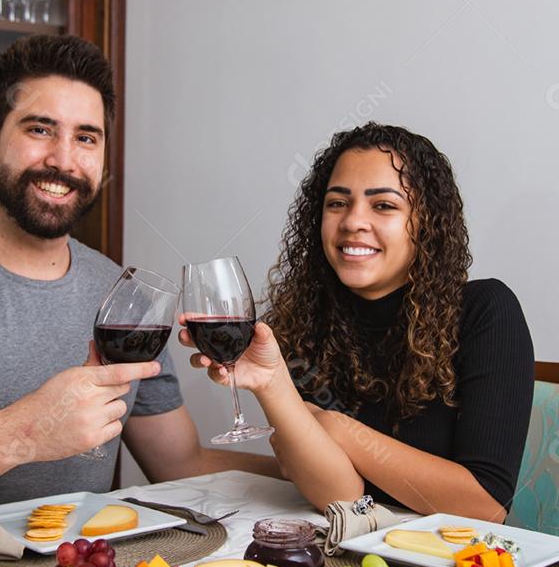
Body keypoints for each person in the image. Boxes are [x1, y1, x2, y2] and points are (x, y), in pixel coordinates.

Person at [0, 35, 280, 543]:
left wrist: (313, 464)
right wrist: (25, 434)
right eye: (40, 129)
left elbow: (182, 463)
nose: (63, 160)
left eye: (86, 138)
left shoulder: (124, 299)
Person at [180, 122, 534, 520]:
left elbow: (485, 506)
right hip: (353, 549)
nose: (352, 221)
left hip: (455, 553)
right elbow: (340, 496)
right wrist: (272, 383)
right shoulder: (305, 323)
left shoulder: (486, 311)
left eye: (383, 205)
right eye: (337, 203)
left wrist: (336, 428)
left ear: (426, 222)